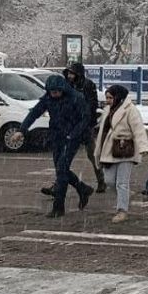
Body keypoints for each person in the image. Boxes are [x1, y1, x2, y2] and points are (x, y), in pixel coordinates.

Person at [15, 75, 93, 218]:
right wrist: (22, 130)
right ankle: (82, 188)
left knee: (62, 168)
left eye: (57, 92)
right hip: (57, 136)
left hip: (72, 138)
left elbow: (86, 118)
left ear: (63, 89)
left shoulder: (76, 97)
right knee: (60, 169)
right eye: (52, 92)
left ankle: (58, 207)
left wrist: (73, 134)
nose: (54, 94)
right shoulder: (48, 98)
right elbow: (34, 113)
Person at [43, 63, 103, 197]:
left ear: (78, 74)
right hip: (69, 128)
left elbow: (91, 105)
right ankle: (58, 186)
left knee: (92, 155)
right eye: (68, 73)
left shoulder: (88, 85)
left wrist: (85, 121)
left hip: (84, 126)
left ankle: (101, 180)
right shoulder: (65, 85)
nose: (70, 76)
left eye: (72, 73)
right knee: (62, 161)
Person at [93, 85, 148, 223]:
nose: (108, 100)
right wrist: (97, 150)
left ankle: (122, 210)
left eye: (110, 97)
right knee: (109, 181)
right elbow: (102, 132)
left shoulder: (130, 110)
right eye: (107, 98)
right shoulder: (107, 111)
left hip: (125, 149)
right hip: (108, 150)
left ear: (118, 97)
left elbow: (138, 129)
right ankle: (126, 196)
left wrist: (143, 147)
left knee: (122, 183)